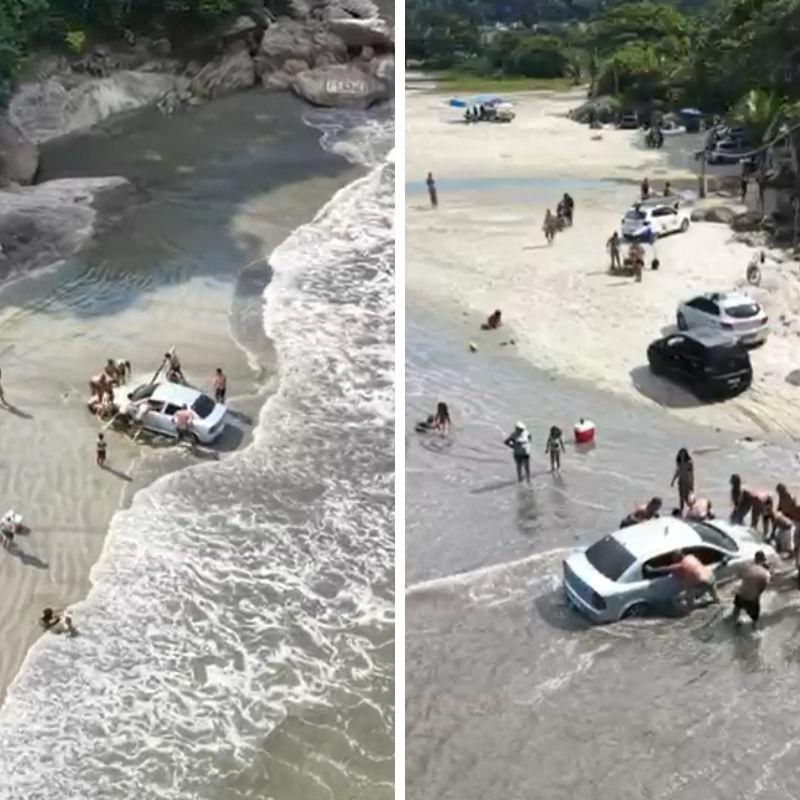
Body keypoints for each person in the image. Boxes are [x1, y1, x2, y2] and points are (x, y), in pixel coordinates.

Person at [651, 549, 719, 607]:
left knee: (688, 596)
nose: (673, 561)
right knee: (714, 595)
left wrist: (652, 570)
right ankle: (716, 600)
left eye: (674, 559)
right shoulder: (691, 557)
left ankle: (691, 608)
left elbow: (666, 569)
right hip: (711, 577)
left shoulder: (681, 565)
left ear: (678, 559)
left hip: (703, 582)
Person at [731, 551, 770, 629]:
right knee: (755, 618)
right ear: (763, 560)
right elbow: (762, 588)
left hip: (740, 593)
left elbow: (739, 577)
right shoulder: (765, 574)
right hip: (752, 598)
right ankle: (754, 628)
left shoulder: (747, 566)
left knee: (736, 610)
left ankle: (733, 622)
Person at [670, 448, 694, 512]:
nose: (682, 455)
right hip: (681, 481)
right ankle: (681, 510)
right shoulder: (679, 462)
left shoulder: (689, 462)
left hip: (687, 481)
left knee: (686, 497)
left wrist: (691, 484)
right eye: (681, 454)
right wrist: (673, 481)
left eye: (683, 454)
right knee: (681, 497)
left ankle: (692, 509)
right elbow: (677, 472)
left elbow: (691, 473)